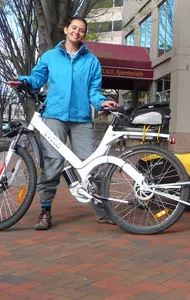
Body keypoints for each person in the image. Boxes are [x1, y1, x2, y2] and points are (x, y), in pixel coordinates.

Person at [8, 16, 117, 230]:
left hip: (81, 118)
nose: (77, 32)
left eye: (81, 30)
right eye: (74, 28)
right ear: (66, 29)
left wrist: (102, 102)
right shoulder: (50, 56)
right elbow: (36, 79)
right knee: (53, 163)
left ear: (84, 34)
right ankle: (45, 211)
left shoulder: (92, 61)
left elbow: (93, 91)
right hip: (54, 115)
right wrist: (22, 80)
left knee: (92, 165)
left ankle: (103, 211)